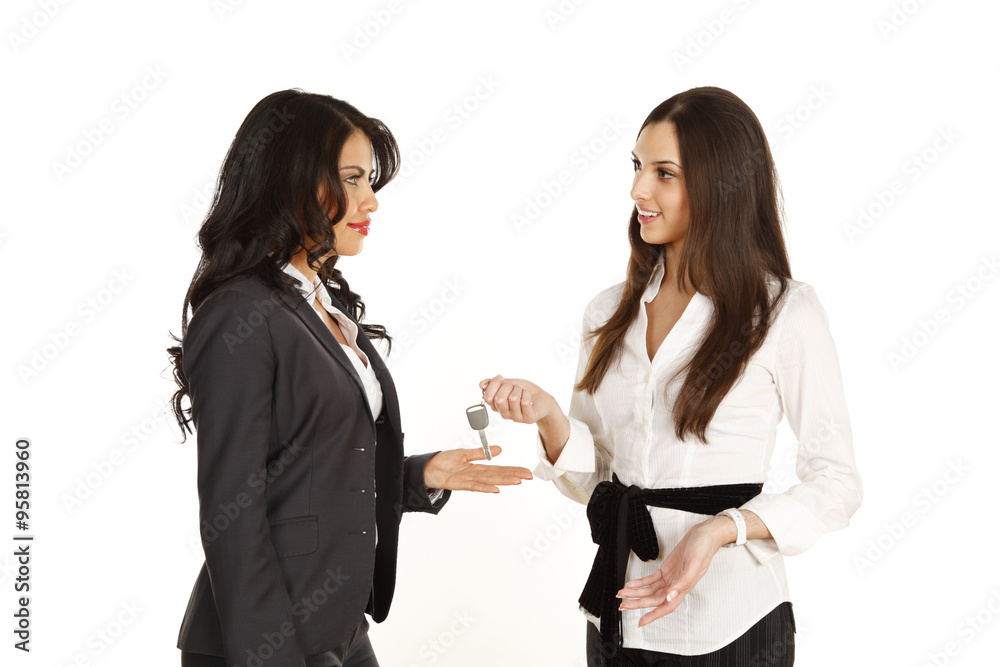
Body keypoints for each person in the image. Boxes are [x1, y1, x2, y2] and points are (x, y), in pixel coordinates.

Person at [481, 86, 862, 666]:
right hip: (620, 617)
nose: (638, 190)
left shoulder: (785, 312)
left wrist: (717, 531)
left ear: (721, 184)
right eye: (637, 167)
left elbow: (836, 483)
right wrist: (551, 418)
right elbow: (601, 483)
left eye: (664, 173)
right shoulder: (608, 313)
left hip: (733, 622)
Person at [165, 89, 532, 667]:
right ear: (292, 180)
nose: (372, 201)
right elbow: (230, 511)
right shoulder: (240, 312)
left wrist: (419, 475)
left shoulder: (319, 301)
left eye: (370, 181)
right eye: (353, 178)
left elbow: (315, 465)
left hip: (339, 624)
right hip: (266, 638)